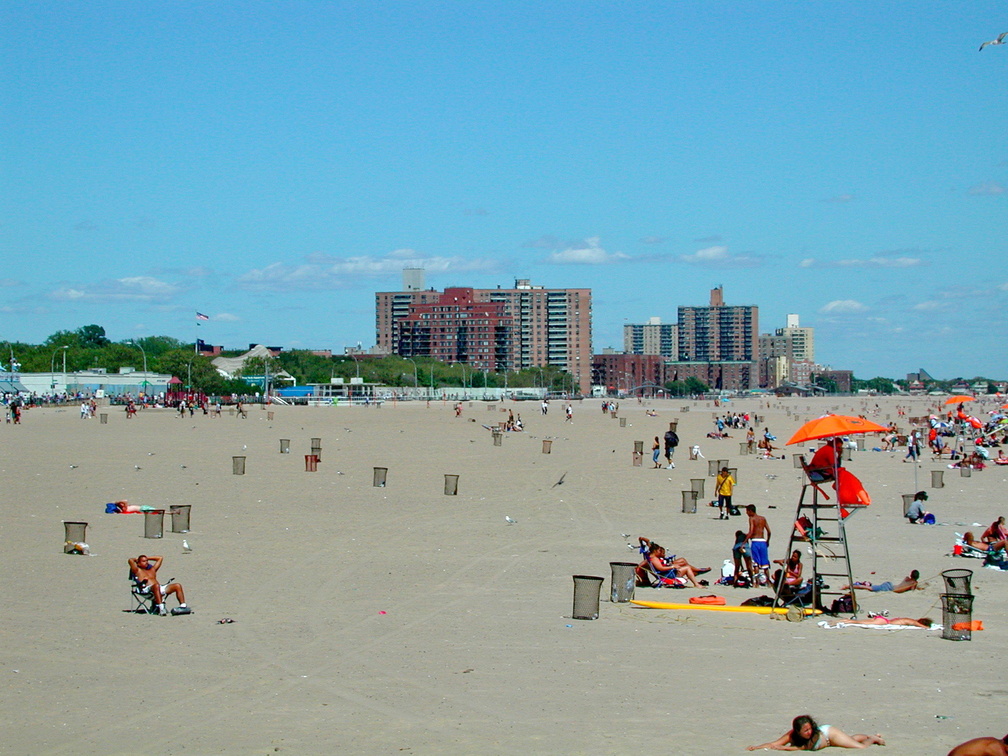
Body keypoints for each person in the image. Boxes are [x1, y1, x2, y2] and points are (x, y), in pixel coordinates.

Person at [747, 714, 885, 750]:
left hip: (830, 734)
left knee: (860, 746)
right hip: (830, 741)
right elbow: (774, 743)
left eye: (810, 728)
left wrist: (783, 748)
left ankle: (872, 739)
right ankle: (867, 735)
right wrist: (757, 747)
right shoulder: (791, 735)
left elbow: (800, 748)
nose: (809, 732)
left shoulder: (812, 736)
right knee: (850, 739)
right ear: (797, 731)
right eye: (805, 730)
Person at [745, 505, 772, 585]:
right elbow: (769, 531)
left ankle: (756, 583)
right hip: (763, 541)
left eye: (747, 511)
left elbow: (751, 531)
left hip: (755, 542)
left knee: (756, 564)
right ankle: (768, 582)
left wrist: (744, 541)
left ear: (750, 511)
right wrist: (768, 541)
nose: (747, 513)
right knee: (765, 564)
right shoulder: (763, 518)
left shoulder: (752, 518)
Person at [845, 570, 921, 593]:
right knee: (869, 588)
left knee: (870, 587)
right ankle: (850, 586)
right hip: (889, 588)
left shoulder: (907, 578)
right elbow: (912, 589)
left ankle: (852, 585)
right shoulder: (913, 583)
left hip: (890, 585)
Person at [823, 616, 933, 628]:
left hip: (882, 619)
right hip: (884, 622)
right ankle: (839, 622)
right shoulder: (911, 621)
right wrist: (926, 628)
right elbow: (915, 624)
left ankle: (837, 621)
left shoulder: (908, 618)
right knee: (859, 623)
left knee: (858, 621)